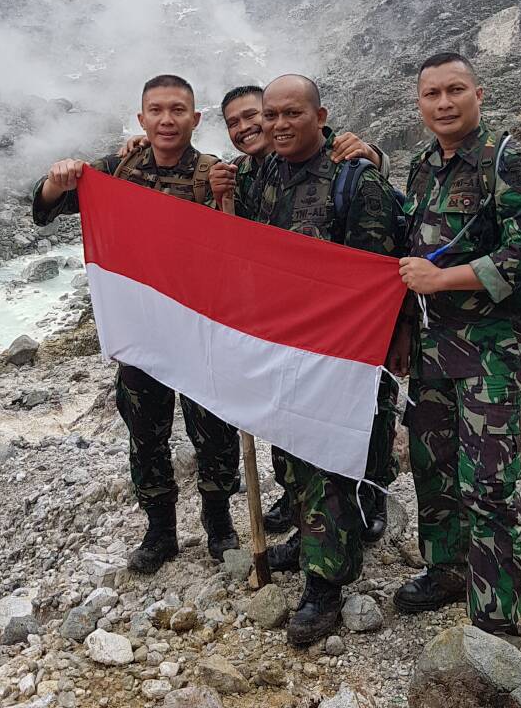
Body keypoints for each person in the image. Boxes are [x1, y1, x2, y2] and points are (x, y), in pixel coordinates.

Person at [124, 83, 398, 541]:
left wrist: (372, 151)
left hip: (342, 327)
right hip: (285, 326)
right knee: (291, 425)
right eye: (235, 122)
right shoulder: (255, 173)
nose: (249, 127)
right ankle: (303, 515)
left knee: (361, 415)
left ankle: (367, 503)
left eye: (257, 115)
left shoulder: (341, 165)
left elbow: (378, 231)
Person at [212, 73, 402, 645]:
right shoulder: (257, 172)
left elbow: (378, 278)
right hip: (280, 344)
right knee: (290, 458)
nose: (277, 125)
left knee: (328, 465)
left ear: (321, 117)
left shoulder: (356, 182)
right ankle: (310, 534)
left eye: (291, 114)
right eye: (269, 116)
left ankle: (325, 587)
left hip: (338, 352)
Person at [32, 75, 241, 574]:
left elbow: (250, 237)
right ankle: (160, 530)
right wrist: (57, 178)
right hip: (139, 331)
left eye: (177, 110)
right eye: (156, 110)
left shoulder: (216, 174)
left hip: (198, 330)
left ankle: (219, 523)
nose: (166, 119)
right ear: (141, 117)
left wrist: (226, 199)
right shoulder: (117, 169)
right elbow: (43, 210)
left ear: (196, 118)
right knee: (146, 433)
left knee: (213, 431)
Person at [392, 52, 521, 639]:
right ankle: (446, 572)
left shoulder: (511, 162)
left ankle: (495, 614)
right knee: (432, 468)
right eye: (431, 94)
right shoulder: (422, 166)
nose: (443, 103)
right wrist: (407, 326)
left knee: (487, 480)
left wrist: (444, 279)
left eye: (455, 90)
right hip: (433, 345)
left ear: (478, 94)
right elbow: (409, 252)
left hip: (492, 346)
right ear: (420, 104)